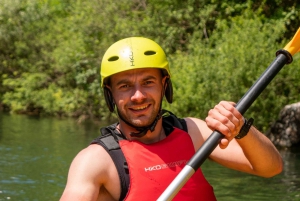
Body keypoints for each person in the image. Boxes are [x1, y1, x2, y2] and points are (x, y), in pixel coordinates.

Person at [60, 37, 283, 201]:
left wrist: (241, 127)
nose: (138, 96)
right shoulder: (96, 161)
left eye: (148, 82)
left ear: (164, 85)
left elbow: (271, 168)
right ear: (110, 93)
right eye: (125, 86)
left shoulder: (194, 132)